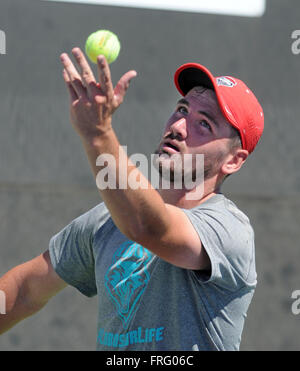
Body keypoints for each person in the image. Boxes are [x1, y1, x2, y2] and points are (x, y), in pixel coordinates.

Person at [0, 48, 264, 351]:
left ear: (233, 160)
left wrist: (98, 133)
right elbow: (24, 292)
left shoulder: (230, 231)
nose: (178, 127)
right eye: (181, 110)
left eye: (204, 124)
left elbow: (149, 227)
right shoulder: (109, 219)